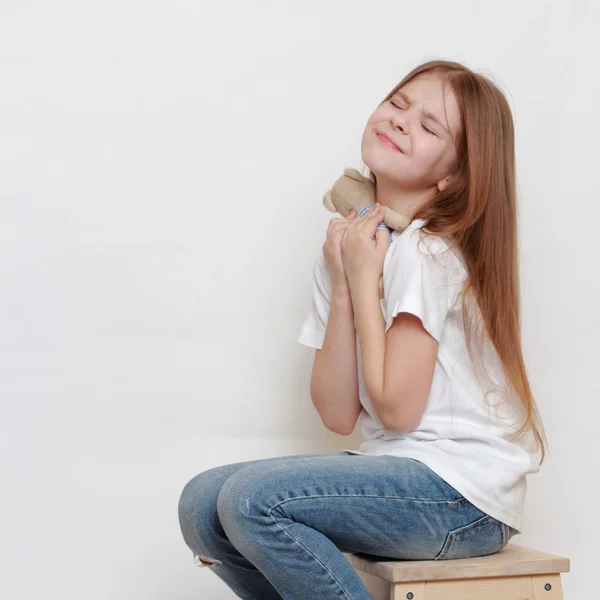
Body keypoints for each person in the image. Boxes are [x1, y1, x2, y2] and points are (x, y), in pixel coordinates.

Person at [177, 59, 549, 600]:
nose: (402, 121)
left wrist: (362, 274)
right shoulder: (352, 248)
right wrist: (350, 287)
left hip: (460, 498)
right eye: (399, 104)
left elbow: (397, 410)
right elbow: (336, 413)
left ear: (454, 176)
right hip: (398, 473)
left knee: (252, 501)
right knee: (202, 503)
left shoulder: (429, 252)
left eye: (430, 127)